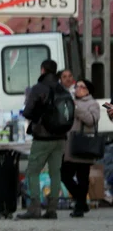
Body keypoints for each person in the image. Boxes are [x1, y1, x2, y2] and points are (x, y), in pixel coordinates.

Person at [16, 59, 68, 220]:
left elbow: (27, 112)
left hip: (42, 137)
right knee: (55, 173)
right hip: (60, 137)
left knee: (32, 171)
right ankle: (52, 209)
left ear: (43, 70)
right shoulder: (62, 88)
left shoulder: (38, 88)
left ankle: (34, 208)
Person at [62, 78, 100, 218]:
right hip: (70, 145)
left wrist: (77, 109)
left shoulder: (93, 104)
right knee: (64, 175)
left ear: (87, 90)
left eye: (81, 86)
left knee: (82, 177)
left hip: (83, 145)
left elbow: (91, 120)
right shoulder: (71, 102)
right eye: (76, 86)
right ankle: (81, 200)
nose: (77, 89)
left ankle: (79, 207)